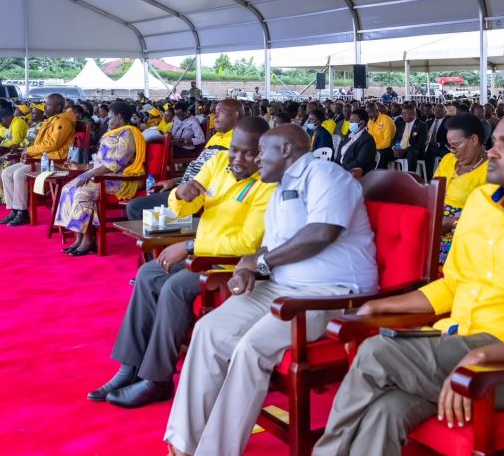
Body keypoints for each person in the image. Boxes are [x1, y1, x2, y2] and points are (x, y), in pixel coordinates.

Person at [312, 110, 504, 456]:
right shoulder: (481, 203)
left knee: (378, 351)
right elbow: (453, 284)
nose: (493, 152)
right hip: (457, 340)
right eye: (495, 142)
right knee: (385, 411)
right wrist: (383, 305)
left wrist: (484, 355)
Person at [164, 125, 378, 456]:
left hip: (329, 293)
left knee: (252, 347)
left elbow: (321, 233)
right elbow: (269, 247)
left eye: (262, 151)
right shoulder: (279, 187)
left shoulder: (324, 175)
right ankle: (182, 445)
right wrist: (248, 265)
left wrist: (260, 263)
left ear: (288, 150)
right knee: (208, 330)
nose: (255, 158)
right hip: (281, 287)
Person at [92, 118, 275, 408]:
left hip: (232, 266)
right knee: (149, 273)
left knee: (175, 286)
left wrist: (190, 246)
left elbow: (247, 244)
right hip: (202, 255)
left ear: (263, 152)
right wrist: (181, 194)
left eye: (248, 153)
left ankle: (157, 379)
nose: (237, 159)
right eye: (234, 150)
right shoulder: (217, 164)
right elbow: (184, 207)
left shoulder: (267, 185)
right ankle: (130, 367)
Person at [56, 102, 146, 256]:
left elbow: (117, 163)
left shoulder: (128, 134)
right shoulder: (113, 134)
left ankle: (89, 240)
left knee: (82, 192)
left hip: (121, 179)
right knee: (68, 188)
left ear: (119, 117)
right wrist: (81, 167)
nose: (108, 121)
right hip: (103, 176)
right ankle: (80, 236)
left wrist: (90, 174)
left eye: (110, 118)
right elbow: (100, 163)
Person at [0, 94, 76, 226]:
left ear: (58, 107)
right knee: (7, 172)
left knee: (18, 174)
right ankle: (14, 210)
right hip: (42, 158)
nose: (45, 107)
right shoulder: (52, 119)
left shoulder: (63, 121)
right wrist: (29, 152)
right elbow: (41, 143)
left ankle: (22, 212)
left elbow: (52, 144)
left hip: (55, 162)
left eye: (48, 104)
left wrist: (29, 151)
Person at [432, 113, 488, 266]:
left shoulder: (491, 170)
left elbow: (492, 215)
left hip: (466, 231)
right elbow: (432, 191)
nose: (452, 151)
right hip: (435, 224)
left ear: (474, 140)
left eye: (456, 145)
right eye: (449, 146)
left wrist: (452, 222)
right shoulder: (448, 160)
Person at [335, 108, 377, 175]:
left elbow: (359, 163)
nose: (350, 123)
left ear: (362, 123)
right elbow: (339, 155)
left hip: (355, 174)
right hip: (342, 170)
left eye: (352, 121)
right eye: (349, 121)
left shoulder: (367, 140)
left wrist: (341, 170)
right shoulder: (349, 136)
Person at [391, 103, 427, 171]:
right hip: (400, 149)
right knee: (384, 152)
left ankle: (410, 176)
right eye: (402, 113)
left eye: (405, 114)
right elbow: (396, 139)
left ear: (413, 115)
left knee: (411, 154)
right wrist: (396, 148)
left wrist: (405, 150)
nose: (403, 116)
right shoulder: (400, 125)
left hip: (413, 150)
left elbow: (420, 144)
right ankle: (387, 177)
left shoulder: (421, 125)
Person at [422, 104, 450, 181]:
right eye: (436, 110)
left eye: (440, 110)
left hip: (441, 146)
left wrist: (439, 143)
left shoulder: (448, 123)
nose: (437, 112)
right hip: (428, 146)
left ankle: (438, 178)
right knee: (425, 154)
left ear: (445, 112)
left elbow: (450, 139)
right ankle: (427, 178)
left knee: (433, 154)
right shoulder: (429, 122)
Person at [366, 103, 396, 169]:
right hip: (375, 147)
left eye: (370, 113)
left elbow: (387, 142)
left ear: (376, 111)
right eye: (367, 113)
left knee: (379, 154)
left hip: (388, 148)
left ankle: (381, 176)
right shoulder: (369, 121)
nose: (369, 115)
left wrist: (374, 148)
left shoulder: (386, 120)